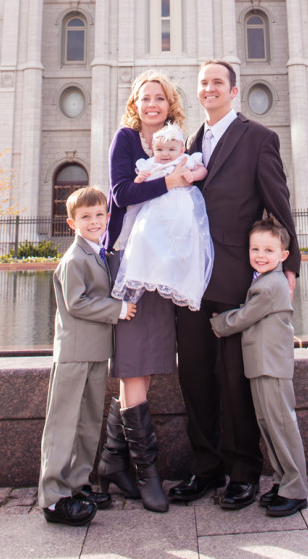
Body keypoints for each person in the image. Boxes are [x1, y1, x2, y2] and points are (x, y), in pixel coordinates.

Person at [170, 60, 301, 511]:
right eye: (203, 83)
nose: (209, 89)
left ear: (234, 90)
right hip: (189, 280)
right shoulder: (191, 143)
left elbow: (277, 201)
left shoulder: (258, 138)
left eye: (217, 83)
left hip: (233, 277)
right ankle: (206, 468)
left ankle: (243, 471)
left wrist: (290, 262)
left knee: (234, 379)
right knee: (195, 377)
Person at [99, 72, 193, 513]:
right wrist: (169, 183)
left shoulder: (180, 143)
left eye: (159, 98)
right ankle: (147, 472)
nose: (152, 104)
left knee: (149, 362)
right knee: (134, 364)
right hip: (130, 262)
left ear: (169, 104)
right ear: (135, 104)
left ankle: (113, 461)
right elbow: (120, 194)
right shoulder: (126, 139)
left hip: (163, 267)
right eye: (145, 98)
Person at [38, 186, 136, 527]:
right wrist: (119, 310)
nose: (94, 222)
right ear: (71, 223)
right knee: (63, 425)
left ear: (108, 217)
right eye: (85, 217)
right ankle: (53, 499)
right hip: (74, 354)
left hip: (96, 353)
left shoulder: (97, 252)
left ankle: (78, 485)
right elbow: (77, 303)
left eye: (99, 215)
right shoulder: (74, 258)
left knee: (89, 422)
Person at [210, 217, 308, 517]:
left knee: (281, 427)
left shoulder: (270, 286)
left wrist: (217, 322)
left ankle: (296, 490)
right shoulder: (264, 281)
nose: (260, 255)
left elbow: (243, 318)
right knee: (269, 427)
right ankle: (281, 482)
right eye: (255, 249)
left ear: (283, 255)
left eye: (268, 250)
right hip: (261, 365)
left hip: (271, 367)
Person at [112, 122, 213, 310]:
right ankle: (143, 272)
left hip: (180, 207)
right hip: (157, 209)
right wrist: (139, 178)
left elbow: (203, 170)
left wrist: (194, 176)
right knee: (145, 236)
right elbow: (135, 186)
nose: (165, 154)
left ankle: (177, 275)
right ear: (152, 149)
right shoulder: (150, 164)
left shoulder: (185, 160)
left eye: (171, 149)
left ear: (182, 149)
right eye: (159, 149)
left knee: (183, 234)